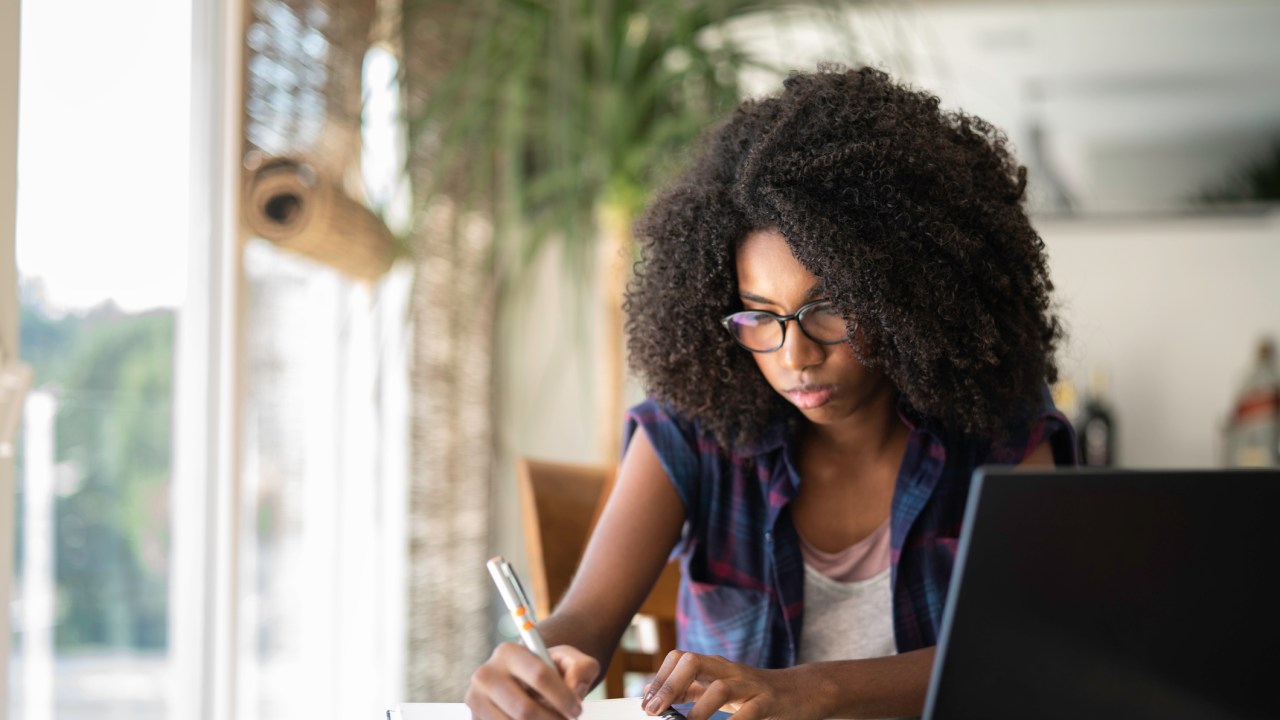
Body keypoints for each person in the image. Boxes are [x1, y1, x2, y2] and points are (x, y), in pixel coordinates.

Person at [464, 65, 1077, 720]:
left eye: (830, 308)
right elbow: (585, 620)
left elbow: (1028, 651)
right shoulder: (693, 429)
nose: (796, 354)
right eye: (760, 315)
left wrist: (811, 690)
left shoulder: (998, 427)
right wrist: (532, 668)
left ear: (907, 295)